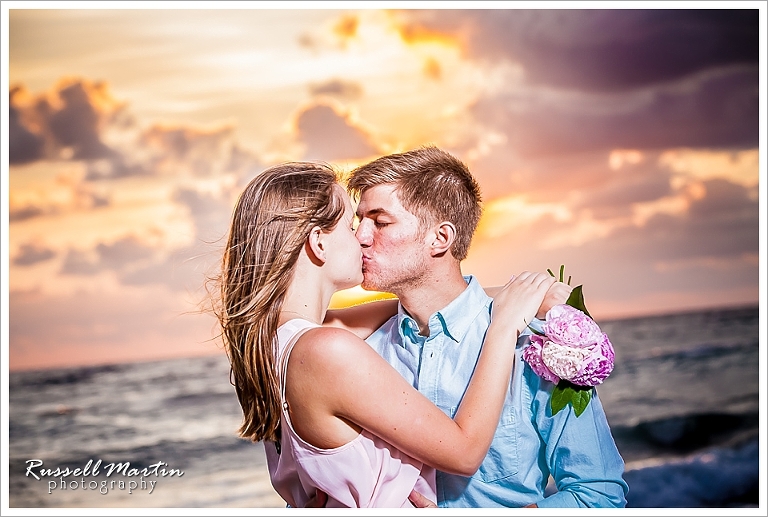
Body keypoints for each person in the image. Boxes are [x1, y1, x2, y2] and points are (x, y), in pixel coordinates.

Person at [215, 161, 563, 507]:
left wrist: (509, 296)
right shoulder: (326, 349)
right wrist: (504, 325)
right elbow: (464, 452)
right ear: (319, 243)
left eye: (377, 223)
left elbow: (429, 302)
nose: (363, 237)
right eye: (351, 225)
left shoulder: (278, 340)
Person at [346, 146, 629, 508]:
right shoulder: (359, 355)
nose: (360, 236)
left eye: (380, 222)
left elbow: (599, 495)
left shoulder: (538, 348)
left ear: (441, 239)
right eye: (359, 222)